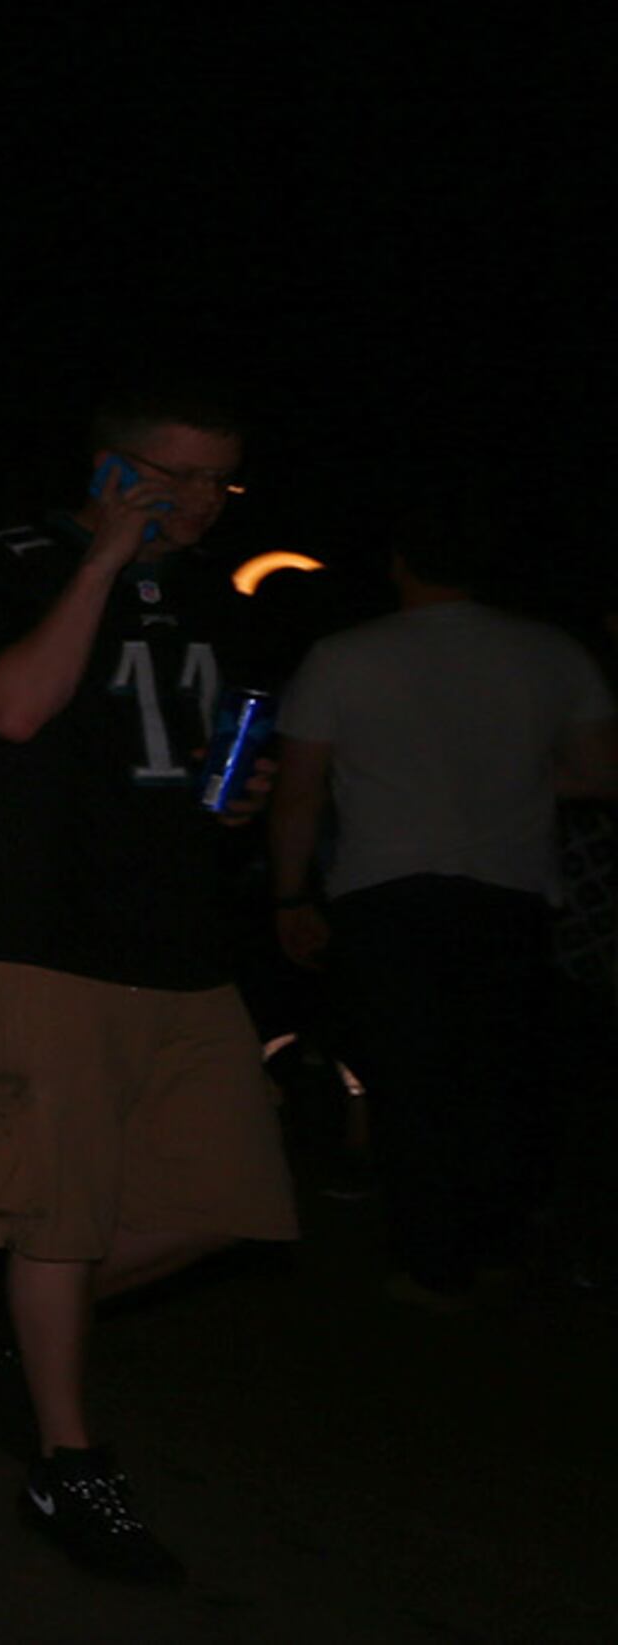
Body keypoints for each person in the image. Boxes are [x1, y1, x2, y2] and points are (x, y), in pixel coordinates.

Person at [0, 389, 296, 1584]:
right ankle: (70, 1461)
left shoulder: (203, 590)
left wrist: (229, 797)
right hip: (36, 935)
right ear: (108, 467)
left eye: (217, 483)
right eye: (172, 475)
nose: (196, 502)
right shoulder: (14, 564)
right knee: (61, 1209)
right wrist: (103, 560)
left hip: (177, 937)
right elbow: (16, 708)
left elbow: (174, 751)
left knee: (236, 1195)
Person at [268, 501, 618, 1297]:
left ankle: (431, 1256)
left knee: (410, 1075)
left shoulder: (343, 656)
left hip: (384, 890)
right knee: (497, 1069)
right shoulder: (549, 651)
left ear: (399, 562)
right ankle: (494, 1240)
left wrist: (291, 893)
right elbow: (601, 771)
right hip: (510, 889)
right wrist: (515, 781)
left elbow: (298, 791)